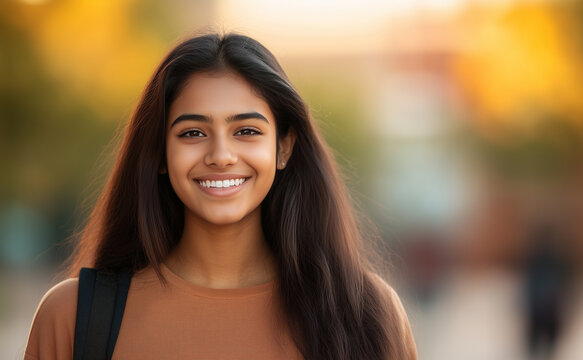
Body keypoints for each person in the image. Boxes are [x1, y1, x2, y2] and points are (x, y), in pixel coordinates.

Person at [23, 33, 417, 360]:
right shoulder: (73, 318)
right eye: (193, 133)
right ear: (160, 154)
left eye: (246, 131)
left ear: (284, 148)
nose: (221, 156)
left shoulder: (367, 315)